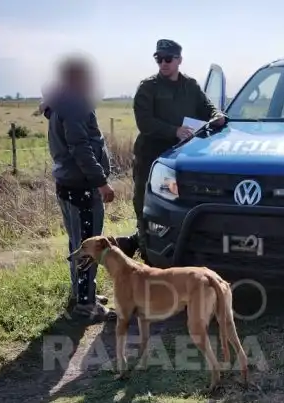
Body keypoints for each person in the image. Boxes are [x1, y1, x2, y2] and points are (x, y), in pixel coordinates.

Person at [125, 39, 226, 261]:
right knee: (147, 205)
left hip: (183, 158)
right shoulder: (148, 87)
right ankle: (147, 255)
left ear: (179, 60)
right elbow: (144, 122)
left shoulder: (190, 85)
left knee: (180, 206)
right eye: (159, 59)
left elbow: (206, 106)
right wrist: (174, 131)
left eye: (168, 59)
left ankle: (183, 252)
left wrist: (217, 115)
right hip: (152, 157)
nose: (163, 63)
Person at [41, 55, 118, 322]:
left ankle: (82, 293)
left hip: (68, 184)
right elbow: (81, 148)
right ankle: (85, 305)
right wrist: (101, 182)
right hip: (82, 187)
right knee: (89, 246)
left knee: (78, 242)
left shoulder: (61, 102)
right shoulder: (74, 105)